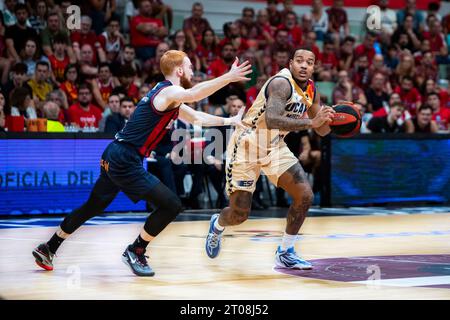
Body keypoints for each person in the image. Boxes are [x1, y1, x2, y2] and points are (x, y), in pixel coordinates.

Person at [32, 50, 252, 277]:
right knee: (171, 205)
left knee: (93, 206)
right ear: (178, 70)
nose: (192, 71)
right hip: (125, 159)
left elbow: (197, 118)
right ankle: (136, 250)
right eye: (189, 67)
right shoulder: (169, 92)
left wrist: (230, 121)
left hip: (114, 154)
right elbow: (195, 94)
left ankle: (49, 247)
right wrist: (228, 77)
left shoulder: (168, 96)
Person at [204, 49, 335, 270]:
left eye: (309, 62)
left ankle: (285, 251)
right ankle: (217, 225)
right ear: (291, 63)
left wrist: (335, 118)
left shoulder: (312, 89)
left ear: (315, 67)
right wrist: (312, 123)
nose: (304, 66)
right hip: (247, 146)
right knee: (239, 215)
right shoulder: (281, 83)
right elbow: (273, 119)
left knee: (305, 195)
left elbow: (322, 131)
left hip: (274, 146)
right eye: (300, 61)